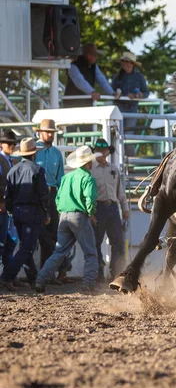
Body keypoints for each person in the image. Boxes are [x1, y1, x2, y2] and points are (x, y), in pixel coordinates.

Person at [35, 146, 100, 293]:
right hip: (79, 216)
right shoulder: (88, 178)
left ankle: (41, 279)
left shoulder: (66, 177)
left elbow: (58, 198)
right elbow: (90, 199)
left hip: (63, 216)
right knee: (90, 252)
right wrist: (91, 213)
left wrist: (61, 212)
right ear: (88, 162)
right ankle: (88, 283)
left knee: (59, 251)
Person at [0, 138, 49, 291]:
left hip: (17, 212)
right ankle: (7, 276)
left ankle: (32, 277)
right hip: (32, 212)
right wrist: (46, 212)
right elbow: (43, 195)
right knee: (27, 247)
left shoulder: (13, 169)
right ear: (33, 154)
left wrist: (11, 210)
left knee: (25, 246)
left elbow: (8, 195)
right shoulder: (38, 170)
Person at [90, 139, 129, 282]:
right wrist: (91, 212)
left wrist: (124, 208)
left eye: (103, 150)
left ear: (107, 152)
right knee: (96, 241)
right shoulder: (91, 169)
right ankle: (98, 273)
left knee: (118, 242)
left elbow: (120, 191)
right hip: (97, 207)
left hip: (112, 207)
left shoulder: (114, 169)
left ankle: (116, 273)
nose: (101, 153)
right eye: (98, 150)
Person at [34, 119, 68, 280]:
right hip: (37, 195)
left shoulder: (56, 153)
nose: (49, 135)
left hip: (53, 194)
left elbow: (60, 179)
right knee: (42, 235)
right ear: (40, 132)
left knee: (54, 234)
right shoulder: (34, 150)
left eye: (51, 132)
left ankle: (47, 272)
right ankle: (50, 271)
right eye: (47, 132)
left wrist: (60, 201)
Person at [112, 51, 149, 157]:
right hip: (119, 109)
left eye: (129, 62)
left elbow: (146, 93)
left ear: (133, 64)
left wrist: (140, 95)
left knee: (129, 136)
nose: (127, 64)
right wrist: (116, 93)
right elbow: (110, 91)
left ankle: (130, 162)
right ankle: (119, 162)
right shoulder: (117, 77)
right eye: (125, 62)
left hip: (131, 109)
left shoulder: (139, 77)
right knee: (117, 135)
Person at [64, 43, 117, 108]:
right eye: (95, 55)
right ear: (88, 55)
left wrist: (112, 93)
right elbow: (80, 81)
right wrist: (92, 92)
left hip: (86, 103)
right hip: (72, 104)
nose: (96, 57)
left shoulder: (93, 67)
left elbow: (101, 80)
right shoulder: (73, 66)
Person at [0, 130, 18, 281]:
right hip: (3, 207)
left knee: (9, 243)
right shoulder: (3, 161)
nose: (12, 145)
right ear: (1, 145)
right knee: (3, 243)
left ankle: (6, 277)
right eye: (9, 143)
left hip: (8, 208)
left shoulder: (10, 161)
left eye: (14, 143)